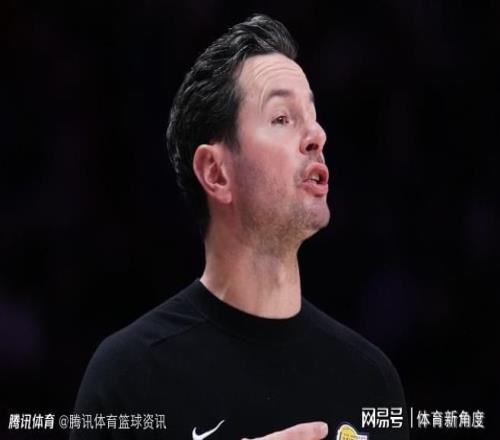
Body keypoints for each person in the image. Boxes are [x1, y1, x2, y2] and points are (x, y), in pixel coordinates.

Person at [71, 14, 409, 440]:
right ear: (216, 172)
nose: (317, 135)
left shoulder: (371, 381)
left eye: (313, 115)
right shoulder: (129, 374)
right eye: (282, 118)